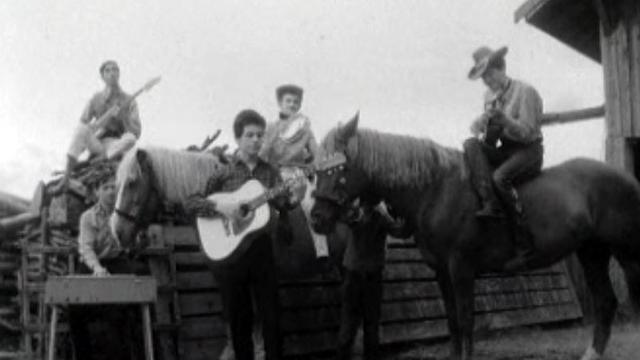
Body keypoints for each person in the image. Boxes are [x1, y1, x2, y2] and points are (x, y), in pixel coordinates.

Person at [184, 109, 295, 360]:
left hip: (262, 250)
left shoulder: (271, 173)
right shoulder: (223, 172)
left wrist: (290, 200)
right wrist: (219, 206)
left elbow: (281, 206)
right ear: (238, 139)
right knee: (239, 319)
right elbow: (191, 203)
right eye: (249, 135)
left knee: (272, 317)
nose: (256, 140)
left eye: (260, 135)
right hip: (232, 255)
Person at [463, 46, 544, 271]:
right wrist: (480, 125)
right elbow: (490, 135)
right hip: (506, 149)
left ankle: (526, 247)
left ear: (502, 69)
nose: (487, 81)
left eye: (489, 75)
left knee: (500, 178)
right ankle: (489, 203)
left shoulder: (525, 91)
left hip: (528, 150)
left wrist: (505, 120)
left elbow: (528, 132)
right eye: (483, 78)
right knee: (470, 144)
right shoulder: (488, 96)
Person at [68, 172, 148, 360]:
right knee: (74, 308)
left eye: (114, 187)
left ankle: (126, 354)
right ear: (97, 192)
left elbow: (130, 244)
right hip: (91, 263)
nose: (111, 191)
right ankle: (83, 355)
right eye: (106, 187)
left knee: (122, 308)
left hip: (116, 260)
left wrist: (139, 241)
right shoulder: (87, 217)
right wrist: (96, 268)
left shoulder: (124, 216)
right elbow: (86, 248)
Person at [259, 84, 330, 262]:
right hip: (275, 173)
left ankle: (322, 252)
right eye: (288, 101)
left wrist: (313, 166)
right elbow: (263, 154)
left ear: (299, 106)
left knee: (311, 207)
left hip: (298, 175)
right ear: (280, 104)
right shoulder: (271, 127)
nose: (292, 105)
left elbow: (317, 153)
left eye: (295, 102)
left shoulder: (305, 130)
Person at [336, 200, 410, 360]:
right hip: (362, 274)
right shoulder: (374, 211)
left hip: (360, 273)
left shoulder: (374, 211)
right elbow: (399, 231)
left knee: (356, 325)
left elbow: (398, 230)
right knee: (363, 326)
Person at [53, 60, 141, 193]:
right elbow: (83, 122)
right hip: (98, 143)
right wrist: (101, 123)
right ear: (102, 76)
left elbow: (136, 132)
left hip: (117, 144)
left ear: (119, 74)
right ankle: (65, 179)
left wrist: (124, 117)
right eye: (108, 70)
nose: (112, 73)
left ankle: (102, 159)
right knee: (80, 129)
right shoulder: (96, 98)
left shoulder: (129, 100)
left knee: (130, 139)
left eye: (115, 70)